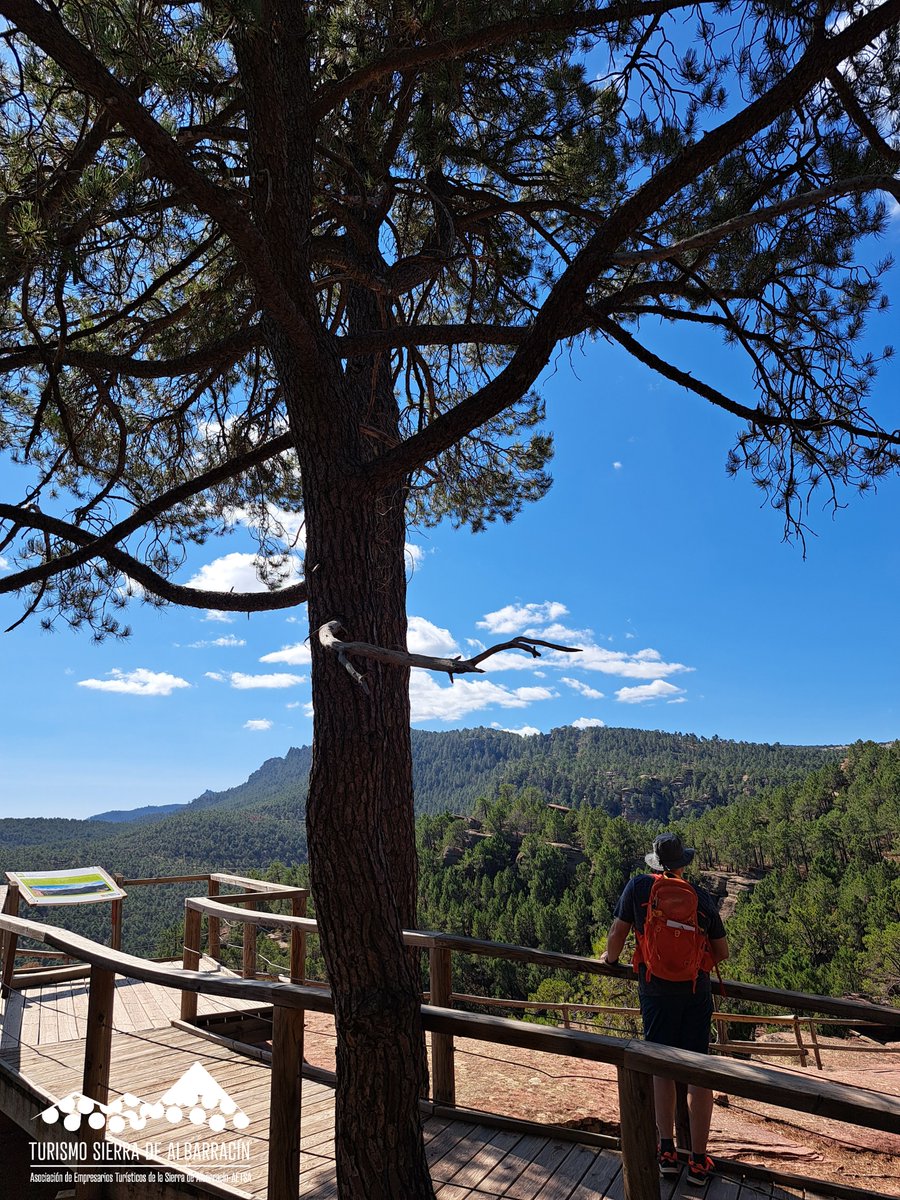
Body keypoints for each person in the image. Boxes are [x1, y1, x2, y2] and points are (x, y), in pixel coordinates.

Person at [599, 831, 729, 1189]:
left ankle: (667, 1150)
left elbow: (617, 933)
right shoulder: (700, 898)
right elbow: (722, 952)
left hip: (654, 990)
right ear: (683, 864)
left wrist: (610, 960)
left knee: (661, 1067)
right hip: (694, 991)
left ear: (656, 863)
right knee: (699, 1069)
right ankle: (699, 1160)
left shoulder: (639, 889)